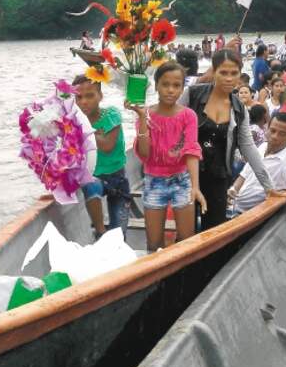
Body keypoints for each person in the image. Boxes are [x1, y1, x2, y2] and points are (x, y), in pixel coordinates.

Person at [181, 49, 274, 230]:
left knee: (214, 232)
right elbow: (171, 124)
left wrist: (269, 187)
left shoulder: (239, 109)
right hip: (185, 177)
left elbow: (249, 148)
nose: (229, 78)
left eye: (234, 73)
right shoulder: (192, 95)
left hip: (218, 178)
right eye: (223, 72)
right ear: (213, 71)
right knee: (185, 235)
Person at [127, 62, 205, 252]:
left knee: (187, 242)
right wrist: (143, 119)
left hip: (182, 181)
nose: (170, 90)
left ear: (182, 88)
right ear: (156, 86)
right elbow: (145, 154)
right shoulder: (146, 115)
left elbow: (191, 151)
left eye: (176, 85)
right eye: (165, 84)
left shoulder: (189, 116)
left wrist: (195, 187)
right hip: (153, 181)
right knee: (153, 245)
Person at [226, 112, 286, 260]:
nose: (274, 136)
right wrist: (233, 190)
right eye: (272, 131)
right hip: (231, 206)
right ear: (267, 128)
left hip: (245, 217)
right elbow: (243, 175)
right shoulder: (262, 147)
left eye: (282, 134)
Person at [74, 75, 131, 239]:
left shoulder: (111, 114)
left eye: (90, 95)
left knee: (119, 236)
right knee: (89, 183)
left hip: (118, 180)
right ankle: (100, 232)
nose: (84, 101)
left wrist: (82, 132)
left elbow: (107, 146)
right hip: (95, 180)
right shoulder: (72, 122)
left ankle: (113, 240)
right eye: (79, 97)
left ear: (100, 96)